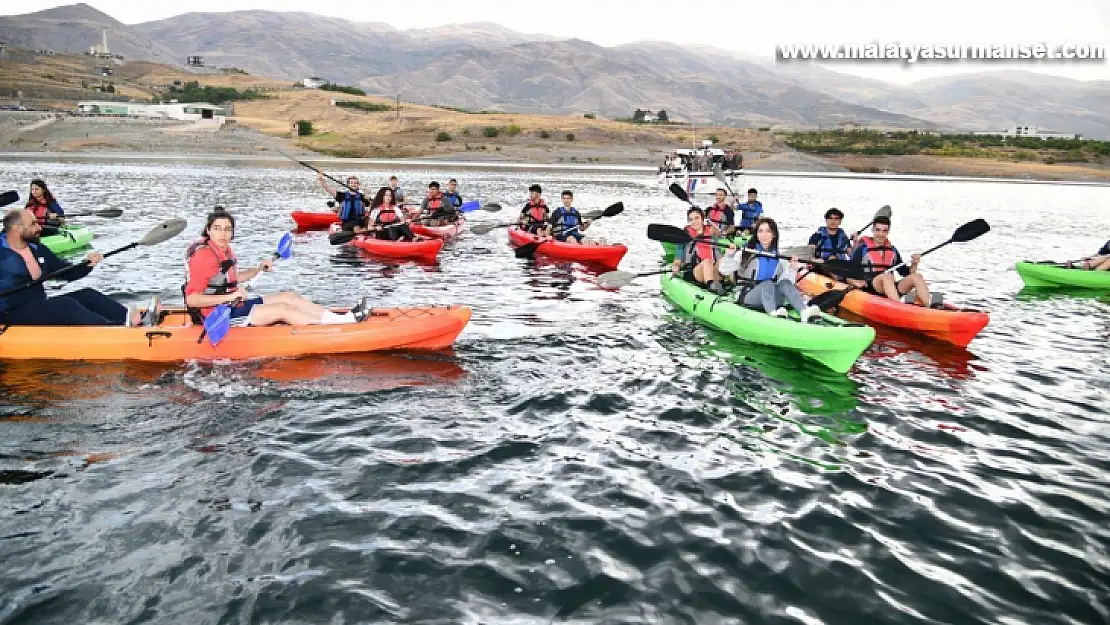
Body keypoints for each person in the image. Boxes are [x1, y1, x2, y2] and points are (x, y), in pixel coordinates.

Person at [185, 208, 370, 326]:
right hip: (217, 317)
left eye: (227, 229)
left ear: (232, 232)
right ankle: (339, 326)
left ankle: (341, 319)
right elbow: (192, 299)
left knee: (288, 297)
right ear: (208, 230)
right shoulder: (204, 256)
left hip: (232, 304)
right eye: (217, 228)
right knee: (282, 309)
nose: (223, 233)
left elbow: (232, 278)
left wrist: (258, 269)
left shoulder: (224, 249)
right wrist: (232, 296)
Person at [0, 208, 144, 326]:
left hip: (37, 305)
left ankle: (134, 320)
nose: (39, 227)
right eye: (33, 224)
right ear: (17, 228)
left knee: (88, 295)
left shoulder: (37, 249)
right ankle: (115, 329)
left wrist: (87, 264)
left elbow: (66, 272)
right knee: (64, 305)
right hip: (9, 313)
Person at [720, 217, 821, 323]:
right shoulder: (745, 253)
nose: (764, 235)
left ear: (774, 235)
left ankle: (803, 311)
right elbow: (724, 271)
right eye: (760, 231)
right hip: (748, 296)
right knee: (767, 283)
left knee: (785, 282)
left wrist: (793, 269)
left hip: (771, 297)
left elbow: (787, 285)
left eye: (768, 231)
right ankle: (772, 313)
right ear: (757, 235)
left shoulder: (779, 258)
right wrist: (729, 255)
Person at [847, 215, 936, 307]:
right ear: (872, 230)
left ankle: (929, 308)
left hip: (890, 288)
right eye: (878, 230)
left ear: (888, 231)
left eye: (884, 231)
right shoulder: (862, 249)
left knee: (917, 277)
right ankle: (900, 308)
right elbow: (848, 274)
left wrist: (914, 263)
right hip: (870, 287)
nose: (881, 234)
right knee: (887, 276)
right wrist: (855, 282)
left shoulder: (892, 250)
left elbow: (906, 273)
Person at [671, 207, 724, 292]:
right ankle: (712, 288)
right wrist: (676, 266)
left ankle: (733, 283)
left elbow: (719, 257)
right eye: (691, 219)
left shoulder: (711, 235)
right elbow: (677, 259)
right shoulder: (684, 236)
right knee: (707, 262)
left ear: (702, 219)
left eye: (697, 218)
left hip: (711, 270)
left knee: (725, 259)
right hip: (693, 272)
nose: (694, 222)